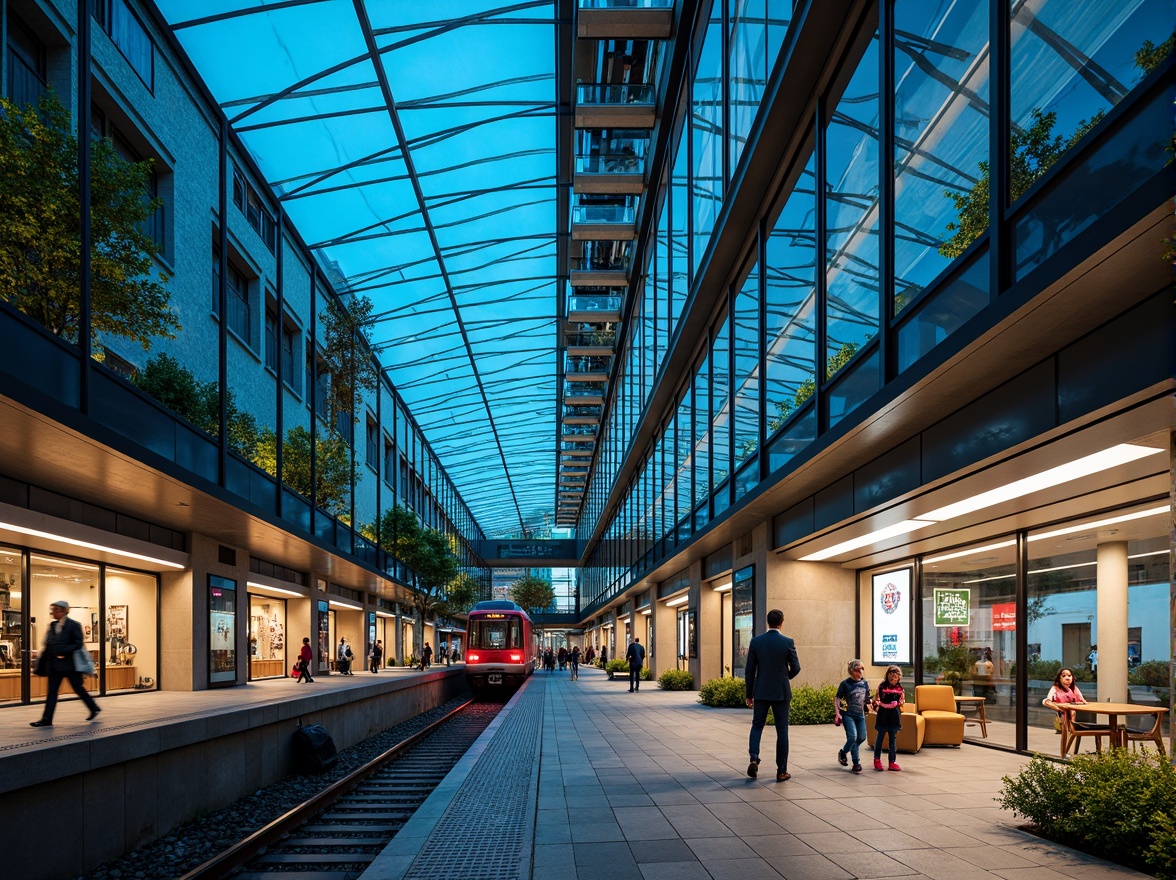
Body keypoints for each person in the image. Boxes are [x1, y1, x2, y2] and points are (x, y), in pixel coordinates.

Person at [744, 609, 801, 781]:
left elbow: (749, 671)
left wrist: (749, 694)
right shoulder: (788, 642)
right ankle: (781, 771)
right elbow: (796, 667)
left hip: (761, 691)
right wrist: (785, 677)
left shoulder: (756, 642)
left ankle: (754, 757)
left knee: (757, 726)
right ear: (782, 622)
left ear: (767, 622)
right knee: (782, 730)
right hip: (781, 693)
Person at [30, 599, 101, 726]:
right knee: (52, 692)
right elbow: (48, 643)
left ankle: (93, 708)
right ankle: (47, 719)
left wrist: (64, 651)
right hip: (55, 665)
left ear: (64, 611)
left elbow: (78, 643)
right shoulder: (52, 625)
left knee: (78, 688)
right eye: (52, 610)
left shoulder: (74, 625)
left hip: (70, 665)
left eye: (56, 610)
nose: (53, 613)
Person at [833, 659, 869, 773]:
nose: (861, 672)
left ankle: (844, 752)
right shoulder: (845, 684)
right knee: (852, 737)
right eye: (859, 669)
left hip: (860, 715)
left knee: (861, 737)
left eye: (863, 669)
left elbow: (867, 699)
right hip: (848, 715)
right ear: (852, 670)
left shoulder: (864, 683)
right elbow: (837, 698)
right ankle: (855, 761)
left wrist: (872, 704)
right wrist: (837, 713)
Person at [871, 665, 905, 771]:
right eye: (891, 677)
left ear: (899, 678)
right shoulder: (882, 687)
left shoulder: (900, 688)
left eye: (895, 677)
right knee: (880, 736)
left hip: (894, 715)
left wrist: (899, 703)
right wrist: (879, 705)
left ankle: (892, 761)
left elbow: (902, 700)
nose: (893, 680)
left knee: (892, 738)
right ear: (887, 676)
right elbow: (877, 700)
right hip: (883, 714)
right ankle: (877, 759)